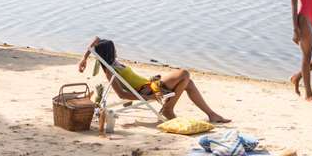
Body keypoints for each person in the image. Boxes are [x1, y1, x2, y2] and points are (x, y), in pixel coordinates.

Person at [79, 36, 229, 123]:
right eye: (114, 48)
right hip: (148, 89)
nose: (117, 50)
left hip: (150, 83)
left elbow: (96, 40)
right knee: (184, 73)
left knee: (188, 82)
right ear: (110, 52)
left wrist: (84, 59)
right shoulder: (110, 71)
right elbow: (122, 94)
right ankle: (169, 109)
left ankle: (211, 115)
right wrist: (148, 97)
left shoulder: (112, 63)